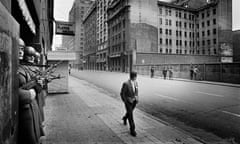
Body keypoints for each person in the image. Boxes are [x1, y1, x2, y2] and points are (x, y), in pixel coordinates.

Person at [18, 43, 43, 144]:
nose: (20, 51)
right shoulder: (14, 67)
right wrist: (28, 94)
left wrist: (39, 85)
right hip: (23, 109)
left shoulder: (24, 68)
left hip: (32, 106)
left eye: (22, 49)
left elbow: (36, 86)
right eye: (30, 56)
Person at [120, 71, 139, 137]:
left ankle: (125, 118)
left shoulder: (136, 82)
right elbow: (122, 94)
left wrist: (136, 97)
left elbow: (136, 91)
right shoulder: (126, 83)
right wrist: (125, 101)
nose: (136, 78)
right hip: (128, 102)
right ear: (133, 76)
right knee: (130, 115)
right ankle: (132, 130)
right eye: (135, 76)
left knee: (129, 113)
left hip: (134, 101)